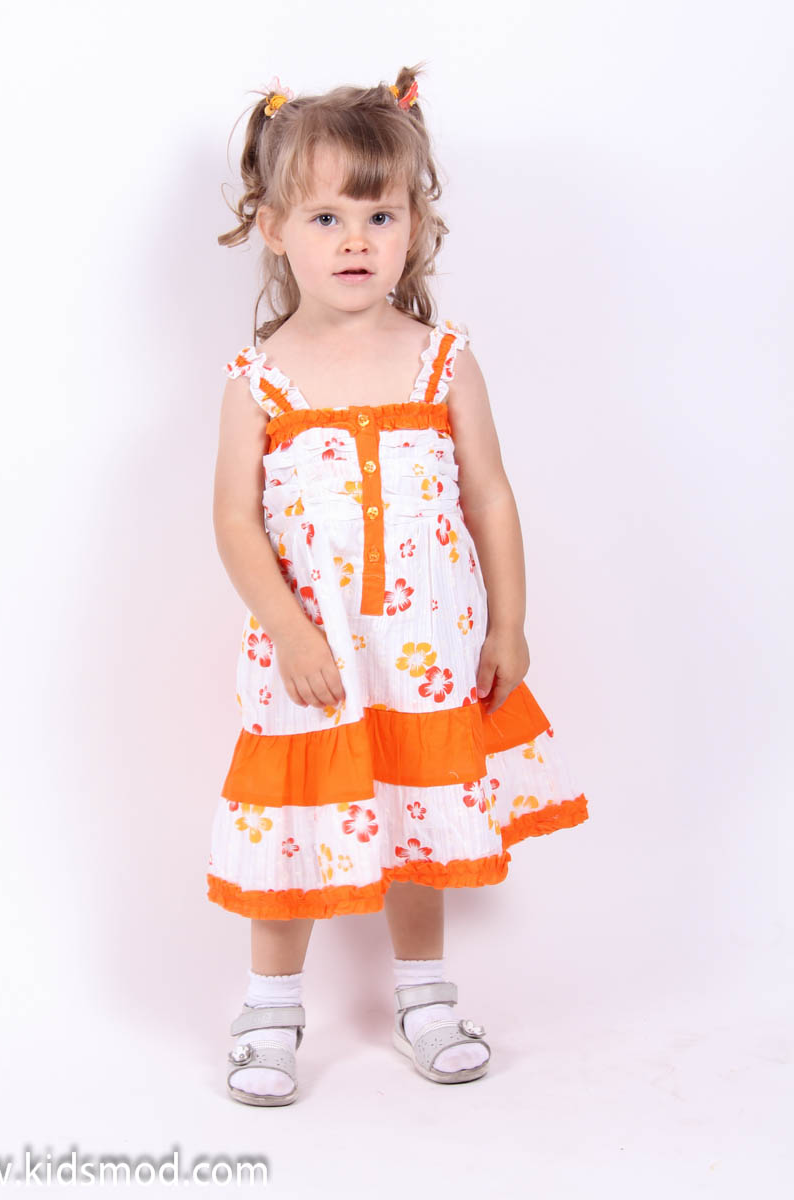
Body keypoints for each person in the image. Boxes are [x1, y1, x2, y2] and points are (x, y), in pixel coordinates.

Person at [208, 64, 589, 1106]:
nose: (356, 240)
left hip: (429, 648)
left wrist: (509, 624)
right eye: (326, 216)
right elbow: (234, 521)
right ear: (273, 227)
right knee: (293, 821)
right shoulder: (258, 379)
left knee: (420, 812)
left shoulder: (443, 360)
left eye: (380, 215)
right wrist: (289, 632)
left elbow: (491, 496)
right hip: (313, 656)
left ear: (415, 226)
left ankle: (424, 995)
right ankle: (268, 1008)